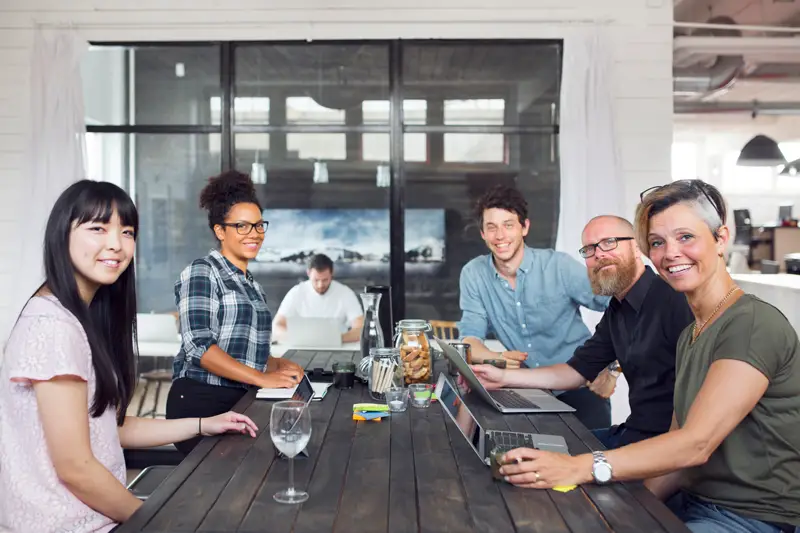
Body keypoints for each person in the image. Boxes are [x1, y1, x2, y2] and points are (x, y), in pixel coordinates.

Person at [496, 180, 800, 533]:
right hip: (693, 498)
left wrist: (582, 467)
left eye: (686, 237)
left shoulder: (750, 323)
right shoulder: (693, 333)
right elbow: (679, 455)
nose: (670, 253)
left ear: (720, 239)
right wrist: (630, 512)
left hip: (752, 517)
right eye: (658, 242)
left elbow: (695, 444)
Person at [0, 181, 259, 533]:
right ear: (62, 235)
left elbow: (108, 428)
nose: (116, 244)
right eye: (97, 228)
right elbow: (75, 466)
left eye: (127, 231)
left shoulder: (76, 318)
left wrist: (204, 423)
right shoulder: (52, 325)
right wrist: (155, 519)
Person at [472, 215, 694, 448]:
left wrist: (657, 476)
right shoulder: (617, 310)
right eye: (589, 249)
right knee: (524, 449)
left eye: (610, 242)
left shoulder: (674, 299)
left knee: (544, 459)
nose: (599, 254)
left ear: (637, 246)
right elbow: (575, 372)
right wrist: (502, 378)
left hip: (665, 447)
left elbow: (694, 409)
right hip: (634, 434)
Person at [166, 171, 303, 455]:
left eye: (258, 225)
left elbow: (244, 349)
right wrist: (263, 378)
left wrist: (278, 365)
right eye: (241, 226)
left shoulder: (252, 285)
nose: (254, 233)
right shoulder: (202, 271)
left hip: (239, 398)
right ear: (220, 231)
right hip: (201, 402)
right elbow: (199, 347)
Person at [456, 184, 612, 430]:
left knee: (589, 457)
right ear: (482, 233)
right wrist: (498, 358)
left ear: (524, 227)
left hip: (579, 386)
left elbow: (620, 304)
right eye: (491, 227)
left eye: (508, 225)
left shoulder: (558, 266)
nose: (500, 236)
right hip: (527, 386)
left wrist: (612, 366)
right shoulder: (474, 274)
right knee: (508, 452)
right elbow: (470, 341)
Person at [271, 253, 364, 344]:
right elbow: (277, 326)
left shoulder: (345, 293)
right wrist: (298, 339)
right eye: (316, 280)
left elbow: (361, 329)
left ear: (332, 274)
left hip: (338, 346)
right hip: (303, 346)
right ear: (308, 273)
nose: (320, 285)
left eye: (325, 280)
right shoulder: (296, 292)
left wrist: (335, 339)